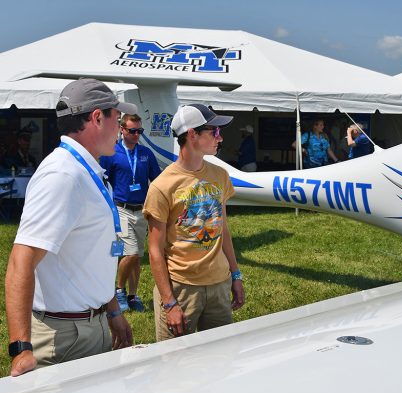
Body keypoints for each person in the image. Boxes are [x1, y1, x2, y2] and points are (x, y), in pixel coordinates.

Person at [5, 78, 135, 377]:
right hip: (66, 336)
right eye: (117, 118)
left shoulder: (87, 171)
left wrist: (112, 310)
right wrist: (21, 349)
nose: (120, 128)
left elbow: (90, 255)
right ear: (97, 117)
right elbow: (20, 262)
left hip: (89, 325)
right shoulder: (63, 175)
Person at [144, 104, 245, 341]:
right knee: (176, 359)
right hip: (181, 289)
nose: (220, 138)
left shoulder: (220, 175)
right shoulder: (162, 186)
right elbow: (154, 250)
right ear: (192, 134)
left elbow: (223, 230)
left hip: (219, 284)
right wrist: (169, 302)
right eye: (214, 131)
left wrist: (235, 275)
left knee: (221, 356)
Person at [100, 114, 161, 313]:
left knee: (137, 256)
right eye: (132, 131)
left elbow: (157, 180)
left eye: (139, 131)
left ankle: (133, 296)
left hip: (142, 210)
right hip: (121, 208)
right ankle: (119, 290)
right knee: (131, 252)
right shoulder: (112, 152)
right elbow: (102, 180)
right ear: (122, 130)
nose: (136, 135)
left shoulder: (145, 153)